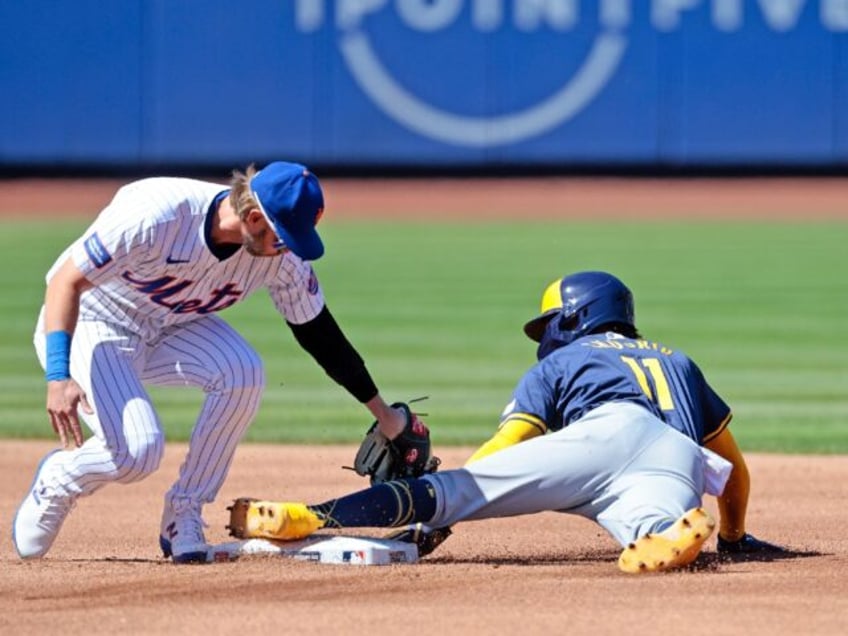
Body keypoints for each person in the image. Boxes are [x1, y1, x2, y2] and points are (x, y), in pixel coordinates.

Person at [227, 271, 785, 573]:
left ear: (575, 318)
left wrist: (446, 509)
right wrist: (734, 537)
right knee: (655, 527)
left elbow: (510, 440)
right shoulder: (676, 360)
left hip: (606, 433)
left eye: (549, 327)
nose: (545, 340)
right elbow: (733, 467)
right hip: (680, 461)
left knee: (453, 491)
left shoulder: (570, 359)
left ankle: (312, 514)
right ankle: (661, 532)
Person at [12, 161, 421, 564]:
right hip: (94, 320)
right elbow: (65, 282)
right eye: (284, 236)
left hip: (169, 325)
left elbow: (319, 335)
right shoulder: (156, 214)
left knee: (242, 371)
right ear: (255, 217)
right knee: (137, 453)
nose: (289, 248)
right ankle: (59, 479)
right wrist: (58, 375)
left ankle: (184, 512)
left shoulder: (280, 257)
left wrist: (384, 414)